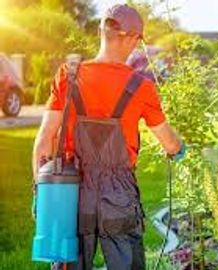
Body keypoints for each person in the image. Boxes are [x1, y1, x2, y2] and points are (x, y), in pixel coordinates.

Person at [32, 4, 184, 270]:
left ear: (101, 31)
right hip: (119, 195)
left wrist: (42, 193)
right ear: (133, 39)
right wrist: (178, 149)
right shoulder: (142, 87)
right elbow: (170, 143)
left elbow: (43, 141)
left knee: (69, 262)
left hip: (71, 192)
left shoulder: (68, 76)